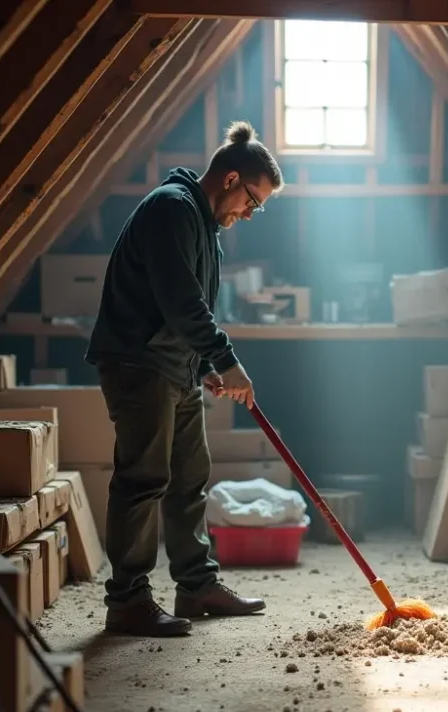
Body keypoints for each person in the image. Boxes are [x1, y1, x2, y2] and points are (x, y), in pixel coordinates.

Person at [85, 121, 283, 637]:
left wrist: (202, 368)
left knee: (190, 475)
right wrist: (225, 360)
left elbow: (181, 311)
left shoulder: (204, 228)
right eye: (252, 201)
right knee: (144, 478)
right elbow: (180, 303)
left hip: (174, 367)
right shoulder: (172, 208)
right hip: (138, 364)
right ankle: (127, 600)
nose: (249, 213)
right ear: (231, 177)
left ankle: (196, 585)